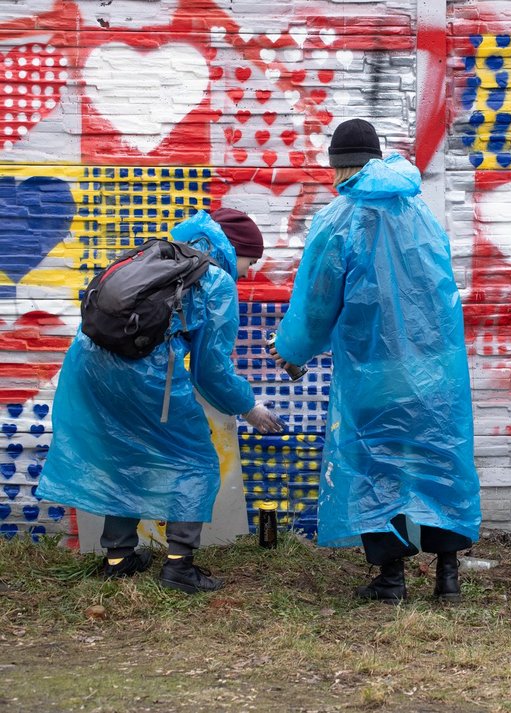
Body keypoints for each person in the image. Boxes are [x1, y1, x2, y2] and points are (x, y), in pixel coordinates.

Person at [269, 118, 481, 603]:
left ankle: (391, 580)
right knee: (437, 460)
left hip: (375, 370)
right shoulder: (420, 211)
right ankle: (447, 578)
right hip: (436, 370)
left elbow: (317, 303)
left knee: (375, 466)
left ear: (337, 169)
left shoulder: (338, 219)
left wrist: (292, 350)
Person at [38, 209, 284, 594]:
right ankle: (179, 567)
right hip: (143, 375)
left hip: (87, 363)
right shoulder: (214, 281)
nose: (249, 272)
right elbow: (210, 371)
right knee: (194, 461)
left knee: (124, 451)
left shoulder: (156, 253)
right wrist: (248, 406)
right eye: (250, 261)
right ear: (234, 250)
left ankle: (119, 558)